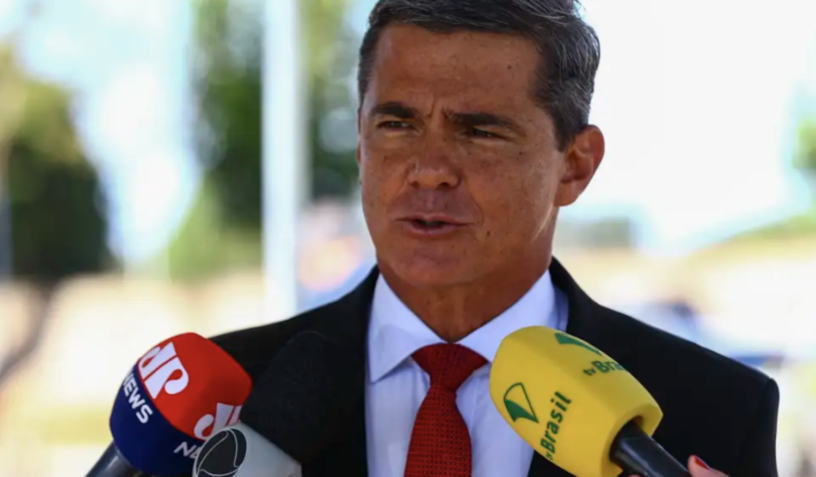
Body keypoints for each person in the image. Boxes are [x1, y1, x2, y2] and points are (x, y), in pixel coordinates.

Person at [213, 1, 780, 476]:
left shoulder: (712, 409)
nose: (429, 170)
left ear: (576, 165)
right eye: (397, 124)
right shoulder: (223, 397)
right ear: (361, 142)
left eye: (480, 132)